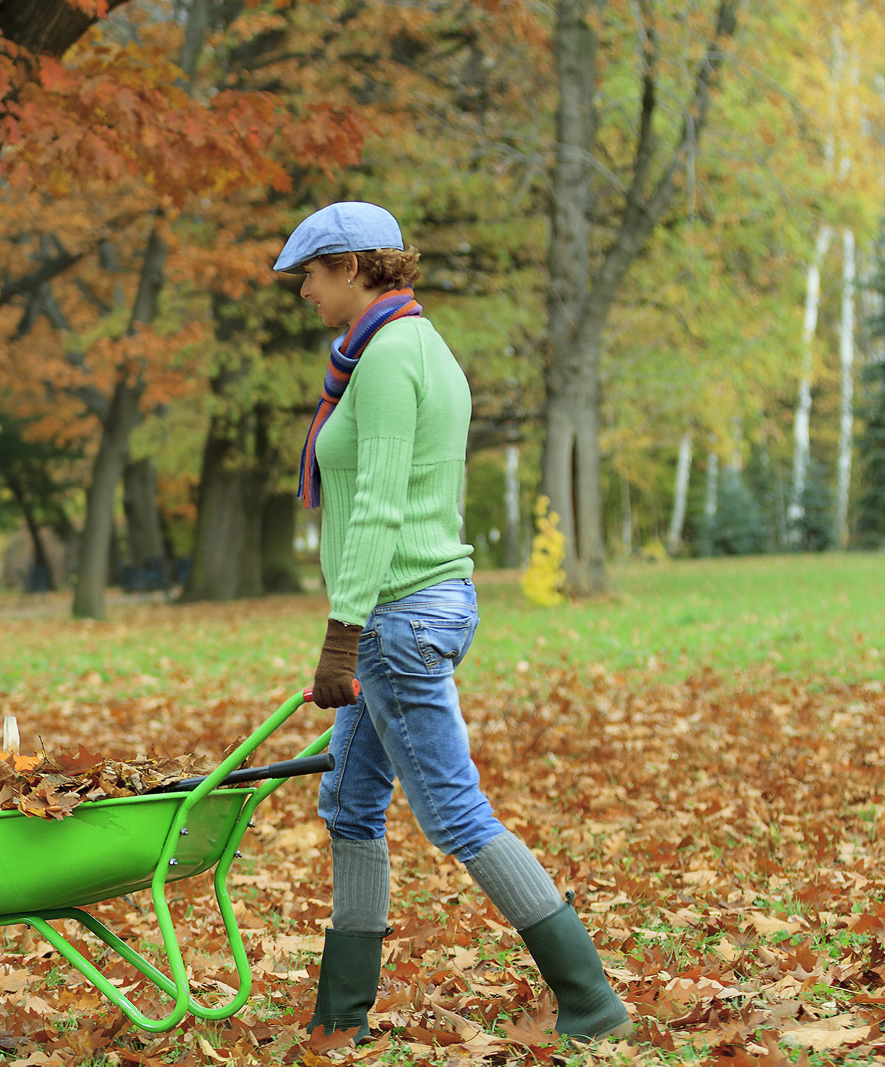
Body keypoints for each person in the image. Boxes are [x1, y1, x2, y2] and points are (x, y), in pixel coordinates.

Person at [274, 202, 630, 1044]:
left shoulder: (393, 357)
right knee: (350, 803)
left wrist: (342, 633)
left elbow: (381, 511)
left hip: (396, 615)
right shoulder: (407, 345)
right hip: (405, 610)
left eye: (312, 277)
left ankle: (590, 997)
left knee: (456, 813)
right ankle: (341, 1016)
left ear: (356, 267)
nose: (305, 295)